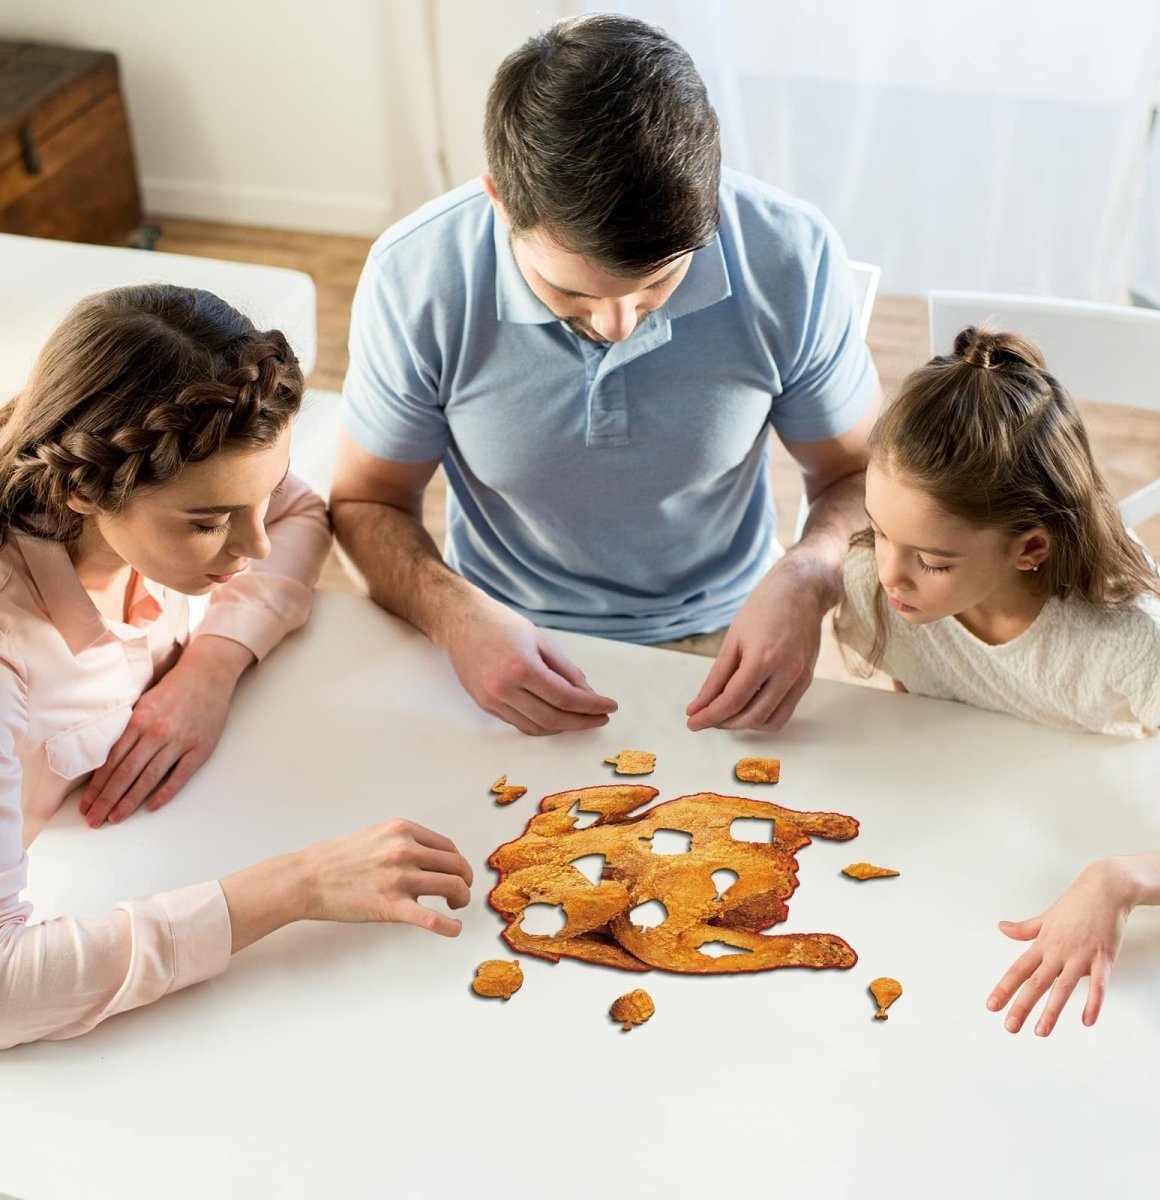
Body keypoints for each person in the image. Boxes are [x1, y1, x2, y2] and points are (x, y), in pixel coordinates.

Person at [330, 14, 880, 736]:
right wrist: (452, 615)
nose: (619, 326)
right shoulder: (416, 277)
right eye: (574, 295)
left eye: (657, 288)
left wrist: (809, 579)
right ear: (500, 202)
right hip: (493, 633)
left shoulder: (790, 255)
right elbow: (367, 503)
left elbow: (861, 479)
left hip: (730, 630)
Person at [0, 285, 472, 1050]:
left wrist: (210, 669)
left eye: (256, 496)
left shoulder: (175, 484)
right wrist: (297, 886)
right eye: (208, 522)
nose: (250, 549)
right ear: (83, 487)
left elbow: (295, 514)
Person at [834, 325, 1160, 1037]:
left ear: (1030, 548)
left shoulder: (1131, 644)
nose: (888, 575)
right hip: (992, 834)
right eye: (879, 531)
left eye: (932, 561)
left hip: (1131, 804)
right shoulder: (879, 593)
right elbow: (934, 717)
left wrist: (1118, 881)